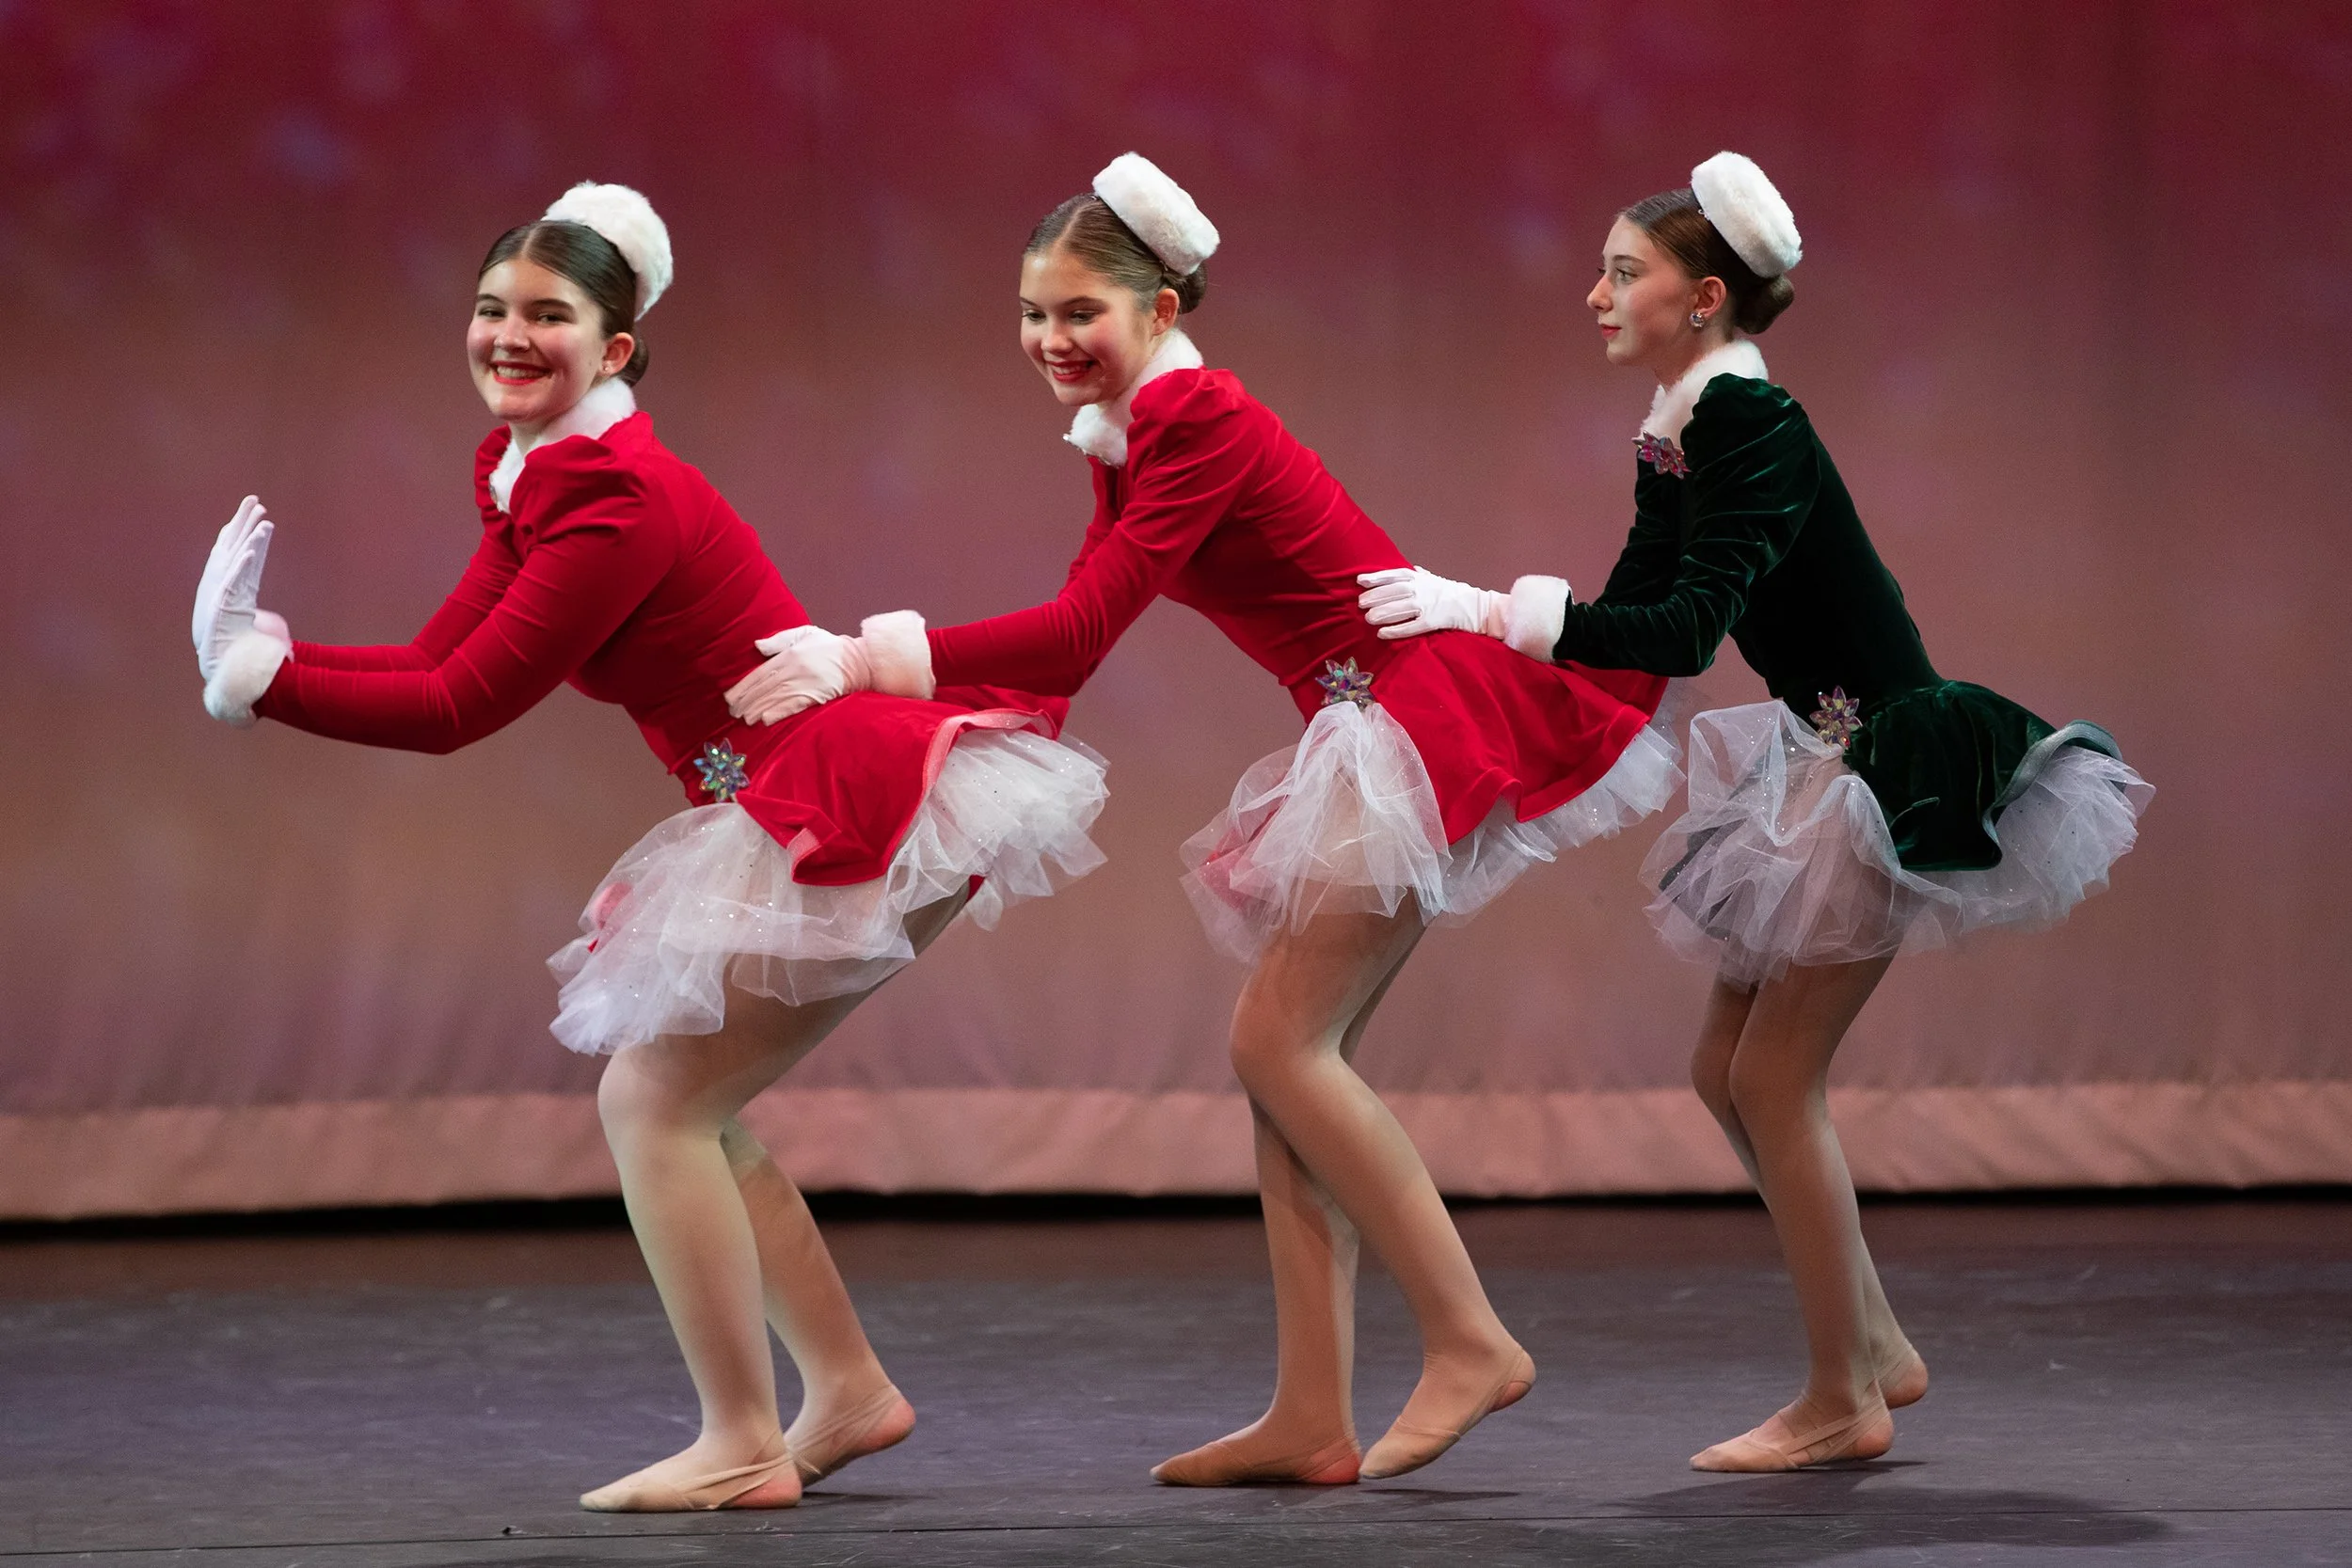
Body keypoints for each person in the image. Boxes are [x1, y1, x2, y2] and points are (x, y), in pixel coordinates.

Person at [723, 154, 1682, 1483]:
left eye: (1082, 312)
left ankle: (1469, 1338)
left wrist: (862, 655)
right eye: (1033, 313)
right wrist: (925, 729)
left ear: (1162, 309)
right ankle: (1313, 1411)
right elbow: (1065, 640)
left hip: (1419, 716)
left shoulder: (1200, 424)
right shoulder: (1137, 436)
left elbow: (1071, 632)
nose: (1053, 340)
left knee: (1279, 1043)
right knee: (1293, 1061)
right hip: (1371, 722)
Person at [188, 182, 1108, 1510]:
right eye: (494, 307)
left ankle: (741, 1436)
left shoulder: (616, 497)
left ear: (614, 350)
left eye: (548, 315)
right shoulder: (541, 480)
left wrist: (262, 685)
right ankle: (845, 1390)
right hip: (780, 803)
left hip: (842, 798)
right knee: (694, 1105)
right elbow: (439, 655)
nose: (510, 334)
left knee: (653, 1099)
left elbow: (458, 709)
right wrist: (265, 652)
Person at [1358, 151, 2153, 1472]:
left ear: (1705, 295)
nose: (1596, 295)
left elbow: (1685, 620)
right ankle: (1878, 1344)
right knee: (1724, 1069)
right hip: (1817, 751)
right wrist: (1484, 644)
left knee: (1775, 1076)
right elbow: (1633, 620)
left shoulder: (1748, 423)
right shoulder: (1683, 421)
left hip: (1889, 757)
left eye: (1625, 272)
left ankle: (1844, 1393)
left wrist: (1484, 604)